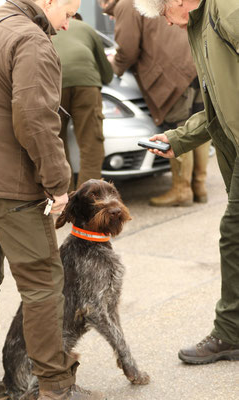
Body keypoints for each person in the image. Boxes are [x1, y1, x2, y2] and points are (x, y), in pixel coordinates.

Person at [0, 0, 104, 399]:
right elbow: (34, 118)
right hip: (12, 188)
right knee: (43, 286)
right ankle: (54, 386)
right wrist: (59, 184)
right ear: (50, 0)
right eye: (69, 12)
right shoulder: (30, 38)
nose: (67, 25)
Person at [134, 0, 239, 364]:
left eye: (164, 14)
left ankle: (230, 332)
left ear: (176, 0)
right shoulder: (198, 25)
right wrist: (177, 139)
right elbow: (219, 106)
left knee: (234, 233)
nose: (167, 23)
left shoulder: (225, 10)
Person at [100, 0, 211, 207]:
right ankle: (199, 186)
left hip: (171, 76)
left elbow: (127, 50)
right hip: (193, 67)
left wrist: (112, 69)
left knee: (177, 126)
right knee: (198, 125)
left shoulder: (126, 4)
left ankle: (181, 190)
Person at [52, 16, 113, 191]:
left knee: (56, 143)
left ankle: (62, 198)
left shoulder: (44, 28)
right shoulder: (86, 28)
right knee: (91, 144)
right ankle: (87, 200)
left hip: (54, 84)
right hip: (86, 84)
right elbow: (107, 74)